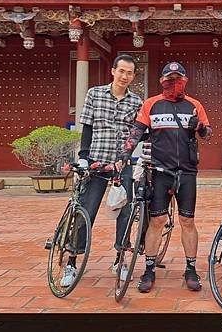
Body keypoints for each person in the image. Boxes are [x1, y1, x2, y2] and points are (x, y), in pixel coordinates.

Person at [116, 62, 211, 293]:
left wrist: (198, 127)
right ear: (162, 80)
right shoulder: (151, 104)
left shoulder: (194, 105)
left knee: (187, 221)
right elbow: (136, 132)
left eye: (178, 79)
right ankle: (149, 269)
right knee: (157, 221)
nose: (173, 83)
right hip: (159, 172)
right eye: (169, 78)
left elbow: (207, 134)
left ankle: (190, 269)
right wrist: (124, 154)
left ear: (185, 81)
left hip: (187, 172)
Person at [61, 54, 143, 287]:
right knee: (86, 211)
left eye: (130, 73)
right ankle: (72, 261)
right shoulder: (94, 94)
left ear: (133, 76)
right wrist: (84, 157)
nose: (125, 76)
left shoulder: (136, 102)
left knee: (125, 212)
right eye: (122, 71)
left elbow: (135, 134)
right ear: (113, 71)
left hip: (122, 164)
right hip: (96, 161)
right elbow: (86, 126)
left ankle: (120, 259)